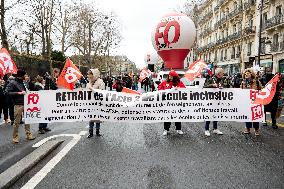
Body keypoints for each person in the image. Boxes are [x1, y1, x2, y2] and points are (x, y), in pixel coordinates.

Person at [5, 69, 36, 143]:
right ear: (21, 76)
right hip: (18, 104)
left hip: (27, 104)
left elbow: (29, 90)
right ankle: (15, 137)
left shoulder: (24, 83)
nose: (26, 76)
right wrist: (19, 93)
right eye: (25, 75)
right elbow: (7, 92)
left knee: (28, 120)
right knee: (17, 122)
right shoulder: (12, 83)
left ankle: (28, 134)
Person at [158, 70, 185, 136]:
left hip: (176, 103)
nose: (169, 77)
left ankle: (179, 129)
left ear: (175, 77)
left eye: (171, 76)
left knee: (177, 116)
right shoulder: (164, 82)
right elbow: (159, 89)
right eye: (169, 76)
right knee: (167, 117)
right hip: (167, 103)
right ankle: (166, 129)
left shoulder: (179, 83)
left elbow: (184, 90)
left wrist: (178, 88)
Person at [203, 67, 224, 136]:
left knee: (216, 114)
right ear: (219, 73)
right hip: (210, 99)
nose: (223, 74)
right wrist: (212, 85)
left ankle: (215, 129)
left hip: (218, 99)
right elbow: (204, 86)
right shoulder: (210, 78)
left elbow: (226, 86)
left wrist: (222, 87)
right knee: (209, 114)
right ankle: (206, 129)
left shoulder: (221, 80)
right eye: (222, 73)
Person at [241, 68, 262, 136]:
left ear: (251, 74)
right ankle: (248, 128)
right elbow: (240, 91)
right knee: (247, 115)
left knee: (255, 115)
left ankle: (256, 129)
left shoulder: (256, 82)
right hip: (246, 101)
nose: (246, 74)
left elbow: (260, 90)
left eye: (248, 73)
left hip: (255, 101)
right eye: (245, 73)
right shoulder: (243, 82)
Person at [86, 69, 105, 138]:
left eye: (90, 74)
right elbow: (86, 93)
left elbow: (102, 93)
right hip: (90, 103)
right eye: (88, 74)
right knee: (91, 118)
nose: (89, 76)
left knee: (97, 118)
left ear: (94, 75)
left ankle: (97, 132)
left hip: (98, 103)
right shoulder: (88, 82)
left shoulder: (100, 82)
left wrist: (93, 90)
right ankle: (90, 132)